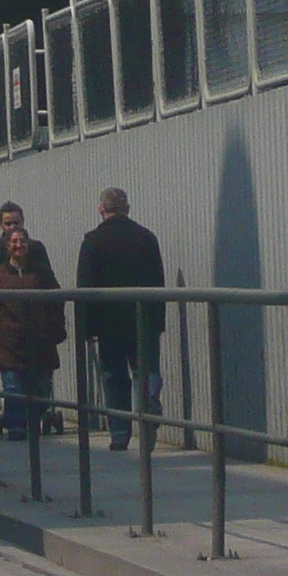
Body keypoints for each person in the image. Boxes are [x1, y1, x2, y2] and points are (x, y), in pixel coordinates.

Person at [74, 187, 166, 453]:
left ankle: (119, 434)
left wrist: (86, 328)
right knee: (146, 371)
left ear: (101, 209)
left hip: (108, 322)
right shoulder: (146, 238)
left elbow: (86, 287)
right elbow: (158, 284)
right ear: (128, 208)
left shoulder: (93, 241)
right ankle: (148, 406)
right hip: (144, 318)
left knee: (113, 376)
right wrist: (158, 321)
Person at [0, 226, 63, 442]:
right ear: (7, 246)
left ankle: (33, 421)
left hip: (40, 341)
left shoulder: (41, 272)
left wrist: (58, 329)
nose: (19, 246)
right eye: (14, 242)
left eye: (23, 241)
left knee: (41, 388)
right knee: (14, 388)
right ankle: (17, 428)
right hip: (9, 343)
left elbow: (57, 301)